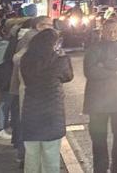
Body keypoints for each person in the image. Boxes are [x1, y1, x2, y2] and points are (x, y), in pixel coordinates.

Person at [84, 18, 117, 173]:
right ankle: (100, 168)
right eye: (109, 31)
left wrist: (104, 64)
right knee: (98, 138)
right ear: (102, 31)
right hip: (97, 102)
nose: (112, 34)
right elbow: (90, 72)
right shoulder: (94, 49)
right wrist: (115, 71)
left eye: (116, 31)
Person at [20, 28, 73, 173]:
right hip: (52, 113)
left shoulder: (26, 59)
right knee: (51, 156)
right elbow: (68, 76)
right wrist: (63, 56)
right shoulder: (59, 60)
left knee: (31, 154)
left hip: (31, 112)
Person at [11, 16, 54, 165]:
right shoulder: (32, 39)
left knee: (26, 121)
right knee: (28, 122)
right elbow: (21, 61)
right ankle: (24, 155)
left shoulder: (33, 37)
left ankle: (24, 153)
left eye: (50, 24)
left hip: (27, 87)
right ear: (37, 26)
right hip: (28, 88)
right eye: (44, 24)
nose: (48, 27)